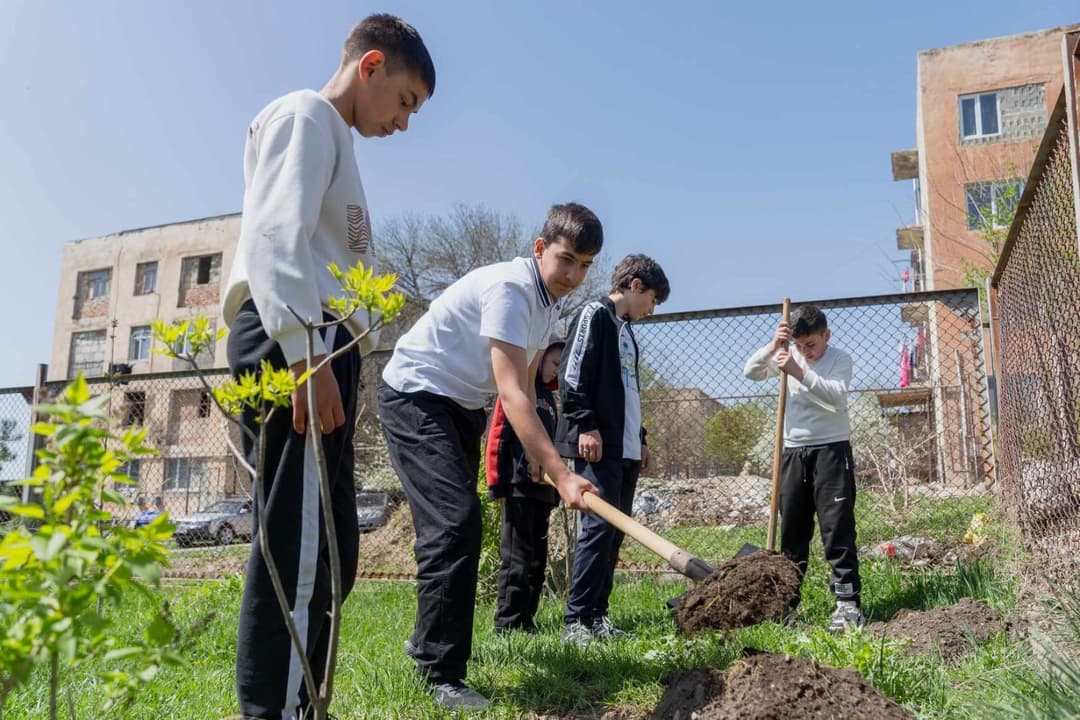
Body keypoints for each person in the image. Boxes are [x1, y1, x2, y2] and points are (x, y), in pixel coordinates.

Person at [220, 14, 436, 719]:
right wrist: (307, 352)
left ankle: (305, 699)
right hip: (300, 340)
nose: (403, 123)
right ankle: (278, 710)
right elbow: (275, 234)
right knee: (299, 543)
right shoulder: (306, 114)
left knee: (331, 539)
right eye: (404, 100)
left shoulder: (331, 136)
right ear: (370, 65)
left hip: (320, 343)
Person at [378, 202, 602, 711]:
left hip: (460, 406)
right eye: (566, 259)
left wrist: (538, 456)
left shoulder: (548, 303)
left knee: (452, 528)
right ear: (540, 248)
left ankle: (428, 639)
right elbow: (512, 391)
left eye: (585, 266)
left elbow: (527, 382)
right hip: (416, 396)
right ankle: (440, 673)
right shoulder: (511, 290)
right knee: (454, 526)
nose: (574, 275)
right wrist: (562, 471)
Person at [555, 254, 670, 646]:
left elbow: (628, 391)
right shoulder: (595, 315)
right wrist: (585, 423)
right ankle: (576, 621)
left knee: (616, 531)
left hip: (625, 447)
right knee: (598, 528)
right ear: (635, 285)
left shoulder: (627, 332)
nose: (651, 310)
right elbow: (571, 375)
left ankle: (598, 616)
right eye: (652, 300)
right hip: (598, 445)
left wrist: (641, 438)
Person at [743, 304, 865, 632]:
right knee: (793, 531)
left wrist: (798, 372)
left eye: (811, 344)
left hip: (831, 449)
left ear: (826, 335)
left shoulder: (839, 359)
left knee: (836, 528)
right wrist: (774, 345)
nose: (805, 351)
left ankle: (847, 605)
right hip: (794, 451)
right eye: (799, 345)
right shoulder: (789, 354)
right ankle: (786, 603)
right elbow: (751, 371)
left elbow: (836, 397)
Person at [486, 338, 565, 634]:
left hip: (543, 490)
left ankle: (527, 620)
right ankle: (507, 623)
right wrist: (496, 483)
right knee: (517, 557)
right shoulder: (517, 393)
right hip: (518, 485)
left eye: (561, 367)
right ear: (540, 357)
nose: (555, 370)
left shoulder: (550, 401)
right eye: (553, 363)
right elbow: (496, 435)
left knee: (537, 559)